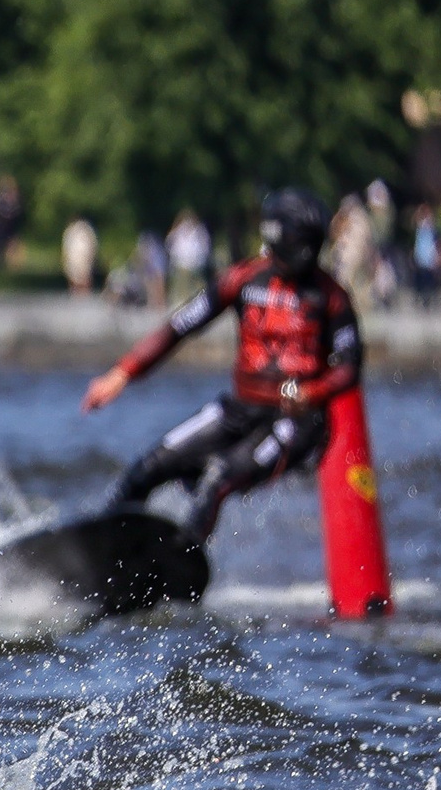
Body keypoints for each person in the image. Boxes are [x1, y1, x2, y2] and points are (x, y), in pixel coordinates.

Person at [83, 188, 360, 545]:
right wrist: (122, 373)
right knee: (148, 467)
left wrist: (308, 391)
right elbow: (180, 326)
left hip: (295, 422)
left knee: (217, 477)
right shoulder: (243, 279)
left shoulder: (332, 297)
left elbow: (349, 367)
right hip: (239, 409)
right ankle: (104, 544)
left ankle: (182, 557)